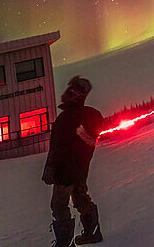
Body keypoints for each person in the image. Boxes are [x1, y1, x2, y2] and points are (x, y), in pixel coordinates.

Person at [42, 75, 104, 246]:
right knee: (80, 197)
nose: (65, 93)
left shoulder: (66, 119)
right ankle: (92, 232)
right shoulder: (91, 115)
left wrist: (50, 167)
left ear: (74, 94)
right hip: (81, 168)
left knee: (59, 205)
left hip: (65, 171)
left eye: (70, 90)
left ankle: (64, 243)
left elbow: (59, 148)